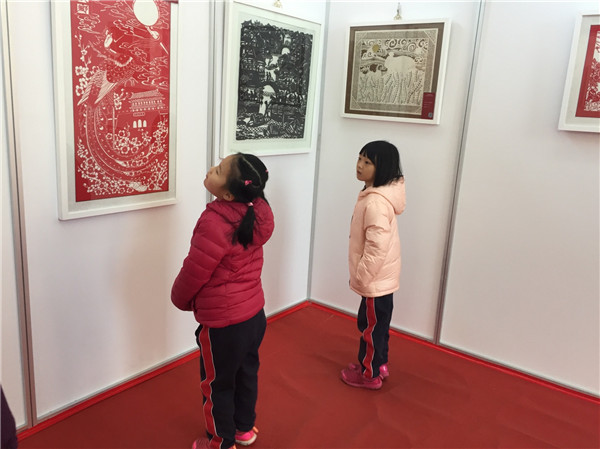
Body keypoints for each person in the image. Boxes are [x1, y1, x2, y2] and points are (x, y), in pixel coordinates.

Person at [171, 153, 274, 449]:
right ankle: (243, 429)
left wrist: (179, 298)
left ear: (228, 194)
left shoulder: (215, 221)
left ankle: (220, 442)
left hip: (224, 325)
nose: (210, 170)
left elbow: (195, 270)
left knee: (217, 384)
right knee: (246, 373)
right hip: (254, 315)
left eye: (217, 170)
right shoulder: (258, 211)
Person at [341, 140, 406, 390]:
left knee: (370, 329)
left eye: (367, 162)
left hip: (375, 279)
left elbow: (376, 247)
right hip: (383, 278)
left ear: (383, 168)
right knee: (379, 326)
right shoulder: (376, 194)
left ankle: (369, 374)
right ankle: (379, 364)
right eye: (360, 158)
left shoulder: (375, 202)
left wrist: (362, 277)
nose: (360, 165)